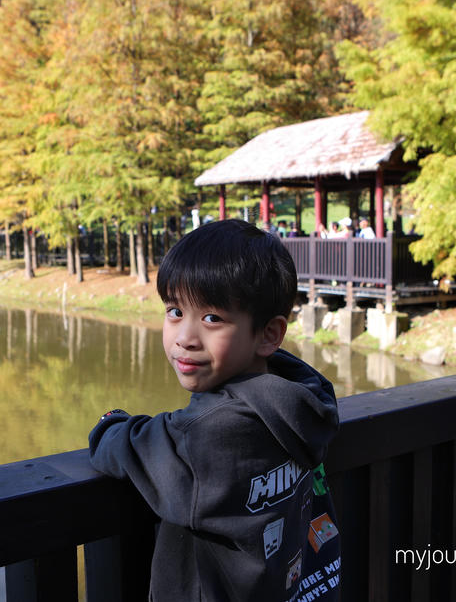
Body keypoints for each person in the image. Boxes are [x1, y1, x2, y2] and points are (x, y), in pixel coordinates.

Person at [88, 219, 342, 601]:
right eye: (174, 311)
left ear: (269, 334)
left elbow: (127, 447)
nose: (185, 338)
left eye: (212, 318)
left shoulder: (212, 432)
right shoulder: (301, 401)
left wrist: (110, 423)